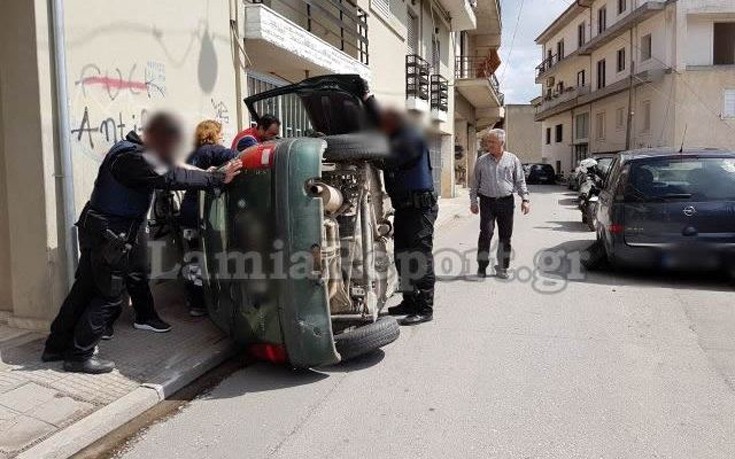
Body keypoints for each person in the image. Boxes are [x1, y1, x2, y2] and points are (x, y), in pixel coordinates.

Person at [43, 113, 241, 374]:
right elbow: (170, 176)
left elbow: (175, 168)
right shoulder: (133, 158)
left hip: (100, 230)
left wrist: (207, 173)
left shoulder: (128, 150)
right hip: (111, 236)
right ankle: (80, 355)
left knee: (83, 290)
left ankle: (56, 347)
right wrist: (216, 179)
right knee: (109, 295)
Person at [359, 81, 437, 326]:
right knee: (402, 255)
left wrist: (366, 152)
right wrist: (366, 97)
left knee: (419, 256)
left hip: (420, 208)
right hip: (404, 207)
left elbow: (389, 160)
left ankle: (425, 308)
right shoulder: (395, 133)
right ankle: (409, 300)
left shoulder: (412, 136)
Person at [179, 120, 239, 317]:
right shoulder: (212, 151)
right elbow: (239, 157)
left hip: (187, 213)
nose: (223, 137)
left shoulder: (192, 154)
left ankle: (195, 302)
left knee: (192, 258)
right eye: (220, 133)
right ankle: (209, 301)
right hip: (201, 212)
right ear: (213, 134)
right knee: (207, 257)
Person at [470, 129, 530, 280]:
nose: (488, 145)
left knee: (505, 236)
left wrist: (525, 199)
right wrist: (473, 201)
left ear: (501, 143)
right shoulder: (482, 160)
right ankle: (482, 267)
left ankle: (502, 267)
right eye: (488, 141)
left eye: (492, 142)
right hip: (487, 202)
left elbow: (520, 180)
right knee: (486, 233)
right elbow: (475, 182)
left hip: (506, 202)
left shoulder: (512, 159)